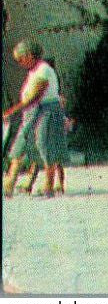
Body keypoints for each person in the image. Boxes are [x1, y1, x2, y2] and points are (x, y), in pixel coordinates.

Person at [2, 40, 68, 198]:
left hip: (46, 112)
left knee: (46, 149)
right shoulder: (34, 70)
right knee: (20, 148)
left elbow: (34, 98)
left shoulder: (43, 70)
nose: (20, 63)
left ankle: (49, 187)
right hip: (32, 113)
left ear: (30, 55)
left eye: (21, 59)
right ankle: (10, 185)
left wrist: (11, 111)